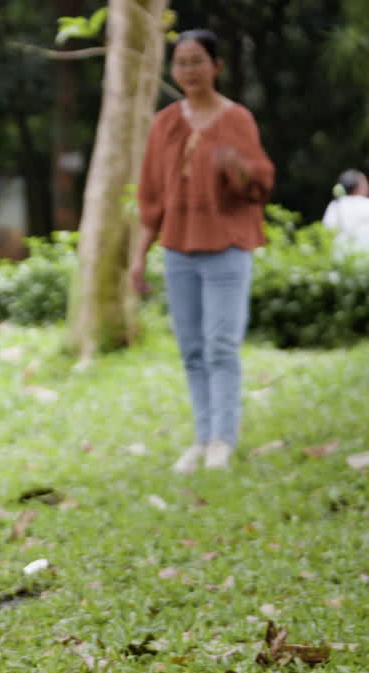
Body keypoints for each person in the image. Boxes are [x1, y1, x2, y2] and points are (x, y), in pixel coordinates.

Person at [130, 29, 275, 474]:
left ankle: (221, 441)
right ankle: (202, 436)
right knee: (192, 350)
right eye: (181, 62)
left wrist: (238, 168)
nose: (189, 70)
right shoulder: (164, 123)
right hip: (179, 249)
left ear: (217, 66)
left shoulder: (237, 120)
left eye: (197, 61)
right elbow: (152, 197)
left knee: (221, 347)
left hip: (227, 247)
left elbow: (261, 182)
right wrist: (139, 257)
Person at [321, 169, 369, 257]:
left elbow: (327, 232)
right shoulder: (366, 204)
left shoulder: (335, 205)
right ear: (359, 186)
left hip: (341, 259)